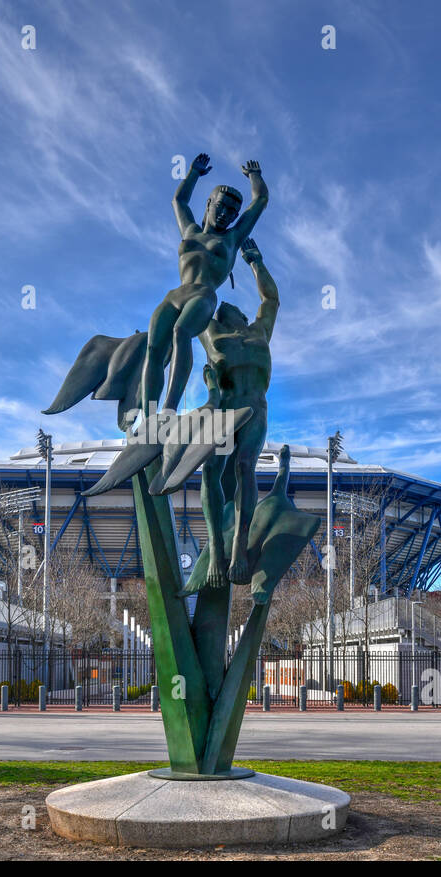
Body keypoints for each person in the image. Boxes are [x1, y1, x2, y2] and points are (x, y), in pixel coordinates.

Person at [140, 153, 267, 415]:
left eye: (232, 212)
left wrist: (255, 176)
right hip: (175, 295)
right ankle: (149, 415)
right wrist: (193, 173)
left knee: (181, 332)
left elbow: (260, 200)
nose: (226, 215)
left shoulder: (232, 238)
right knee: (153, 348)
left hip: (203, 295)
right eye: (221, 206)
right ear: (209, 204)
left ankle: (169, 409)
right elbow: (179, 200)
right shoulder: (190, 231)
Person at [198, 236, 277, 587]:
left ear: (243, 315)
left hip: (254, 408)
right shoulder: (211, 332)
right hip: (225, 409)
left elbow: (271, 299)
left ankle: (239, 548)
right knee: (210, 467)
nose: (220, 310)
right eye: (217, 309)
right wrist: (215, 255)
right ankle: (216, 547)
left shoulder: (259, 331)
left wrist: (254, 260)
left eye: (227, 307)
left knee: (246, 465)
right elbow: (195, 293)